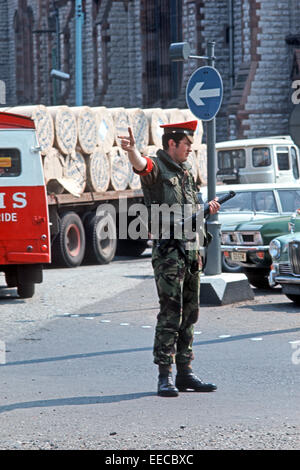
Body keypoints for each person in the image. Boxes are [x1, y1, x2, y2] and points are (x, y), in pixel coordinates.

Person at [119, 120, 220, 397]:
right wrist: (131, 151)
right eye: (186, 143)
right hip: (169, 254)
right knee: (170, 314)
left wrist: (206, 209)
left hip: (190, 252)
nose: (190, 147)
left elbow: (190, 207)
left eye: (190, 143)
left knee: (190, 314)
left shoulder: (186, 170)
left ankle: (185, 373)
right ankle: (165, 376)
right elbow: (142, 166)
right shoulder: (157, 168)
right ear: (171, 144)